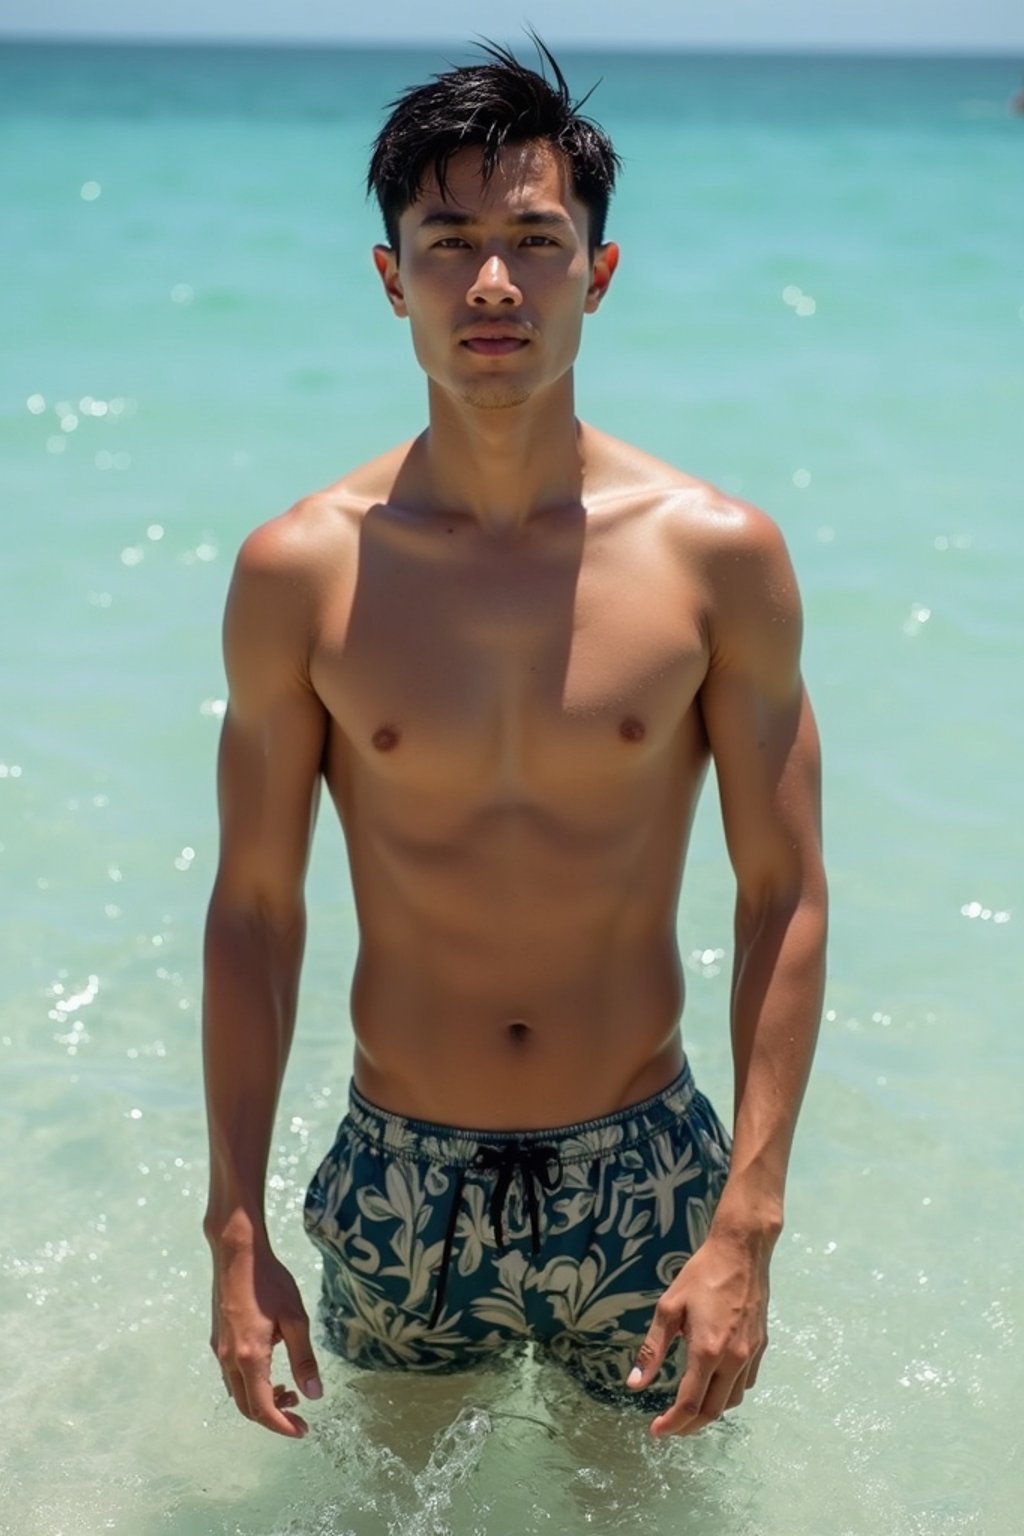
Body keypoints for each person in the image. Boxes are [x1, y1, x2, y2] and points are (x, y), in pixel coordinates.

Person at [202, 39, 827, 1445]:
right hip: (397, 1167)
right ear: (391, 277)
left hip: (648, 1166)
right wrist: (233, 1228)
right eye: (452, 243)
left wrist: (751, 1218)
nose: (494, 282)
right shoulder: (299, 571)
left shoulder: (717, 559)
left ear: (596, 275)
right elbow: (254, 906)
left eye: (536, 242)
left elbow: (785, 888)